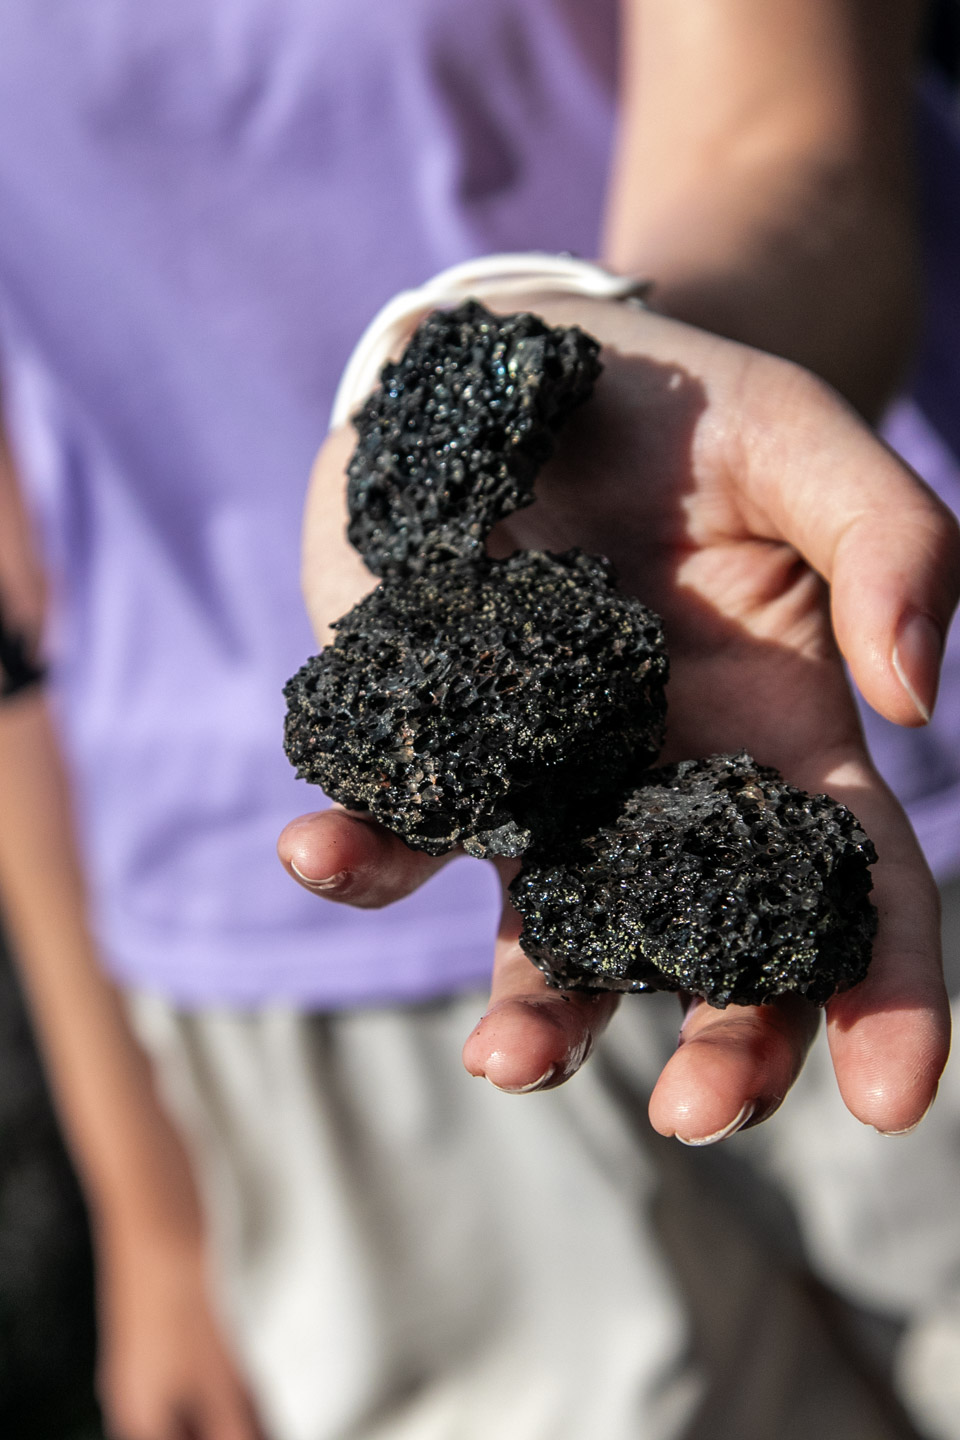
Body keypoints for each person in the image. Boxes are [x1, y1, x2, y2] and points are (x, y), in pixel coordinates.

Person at [0, 2, 957, 1438]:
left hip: (863, 717)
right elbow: (17, 607)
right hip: (260, 963)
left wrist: (617, 341)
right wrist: (148, 1195)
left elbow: (791, 131)